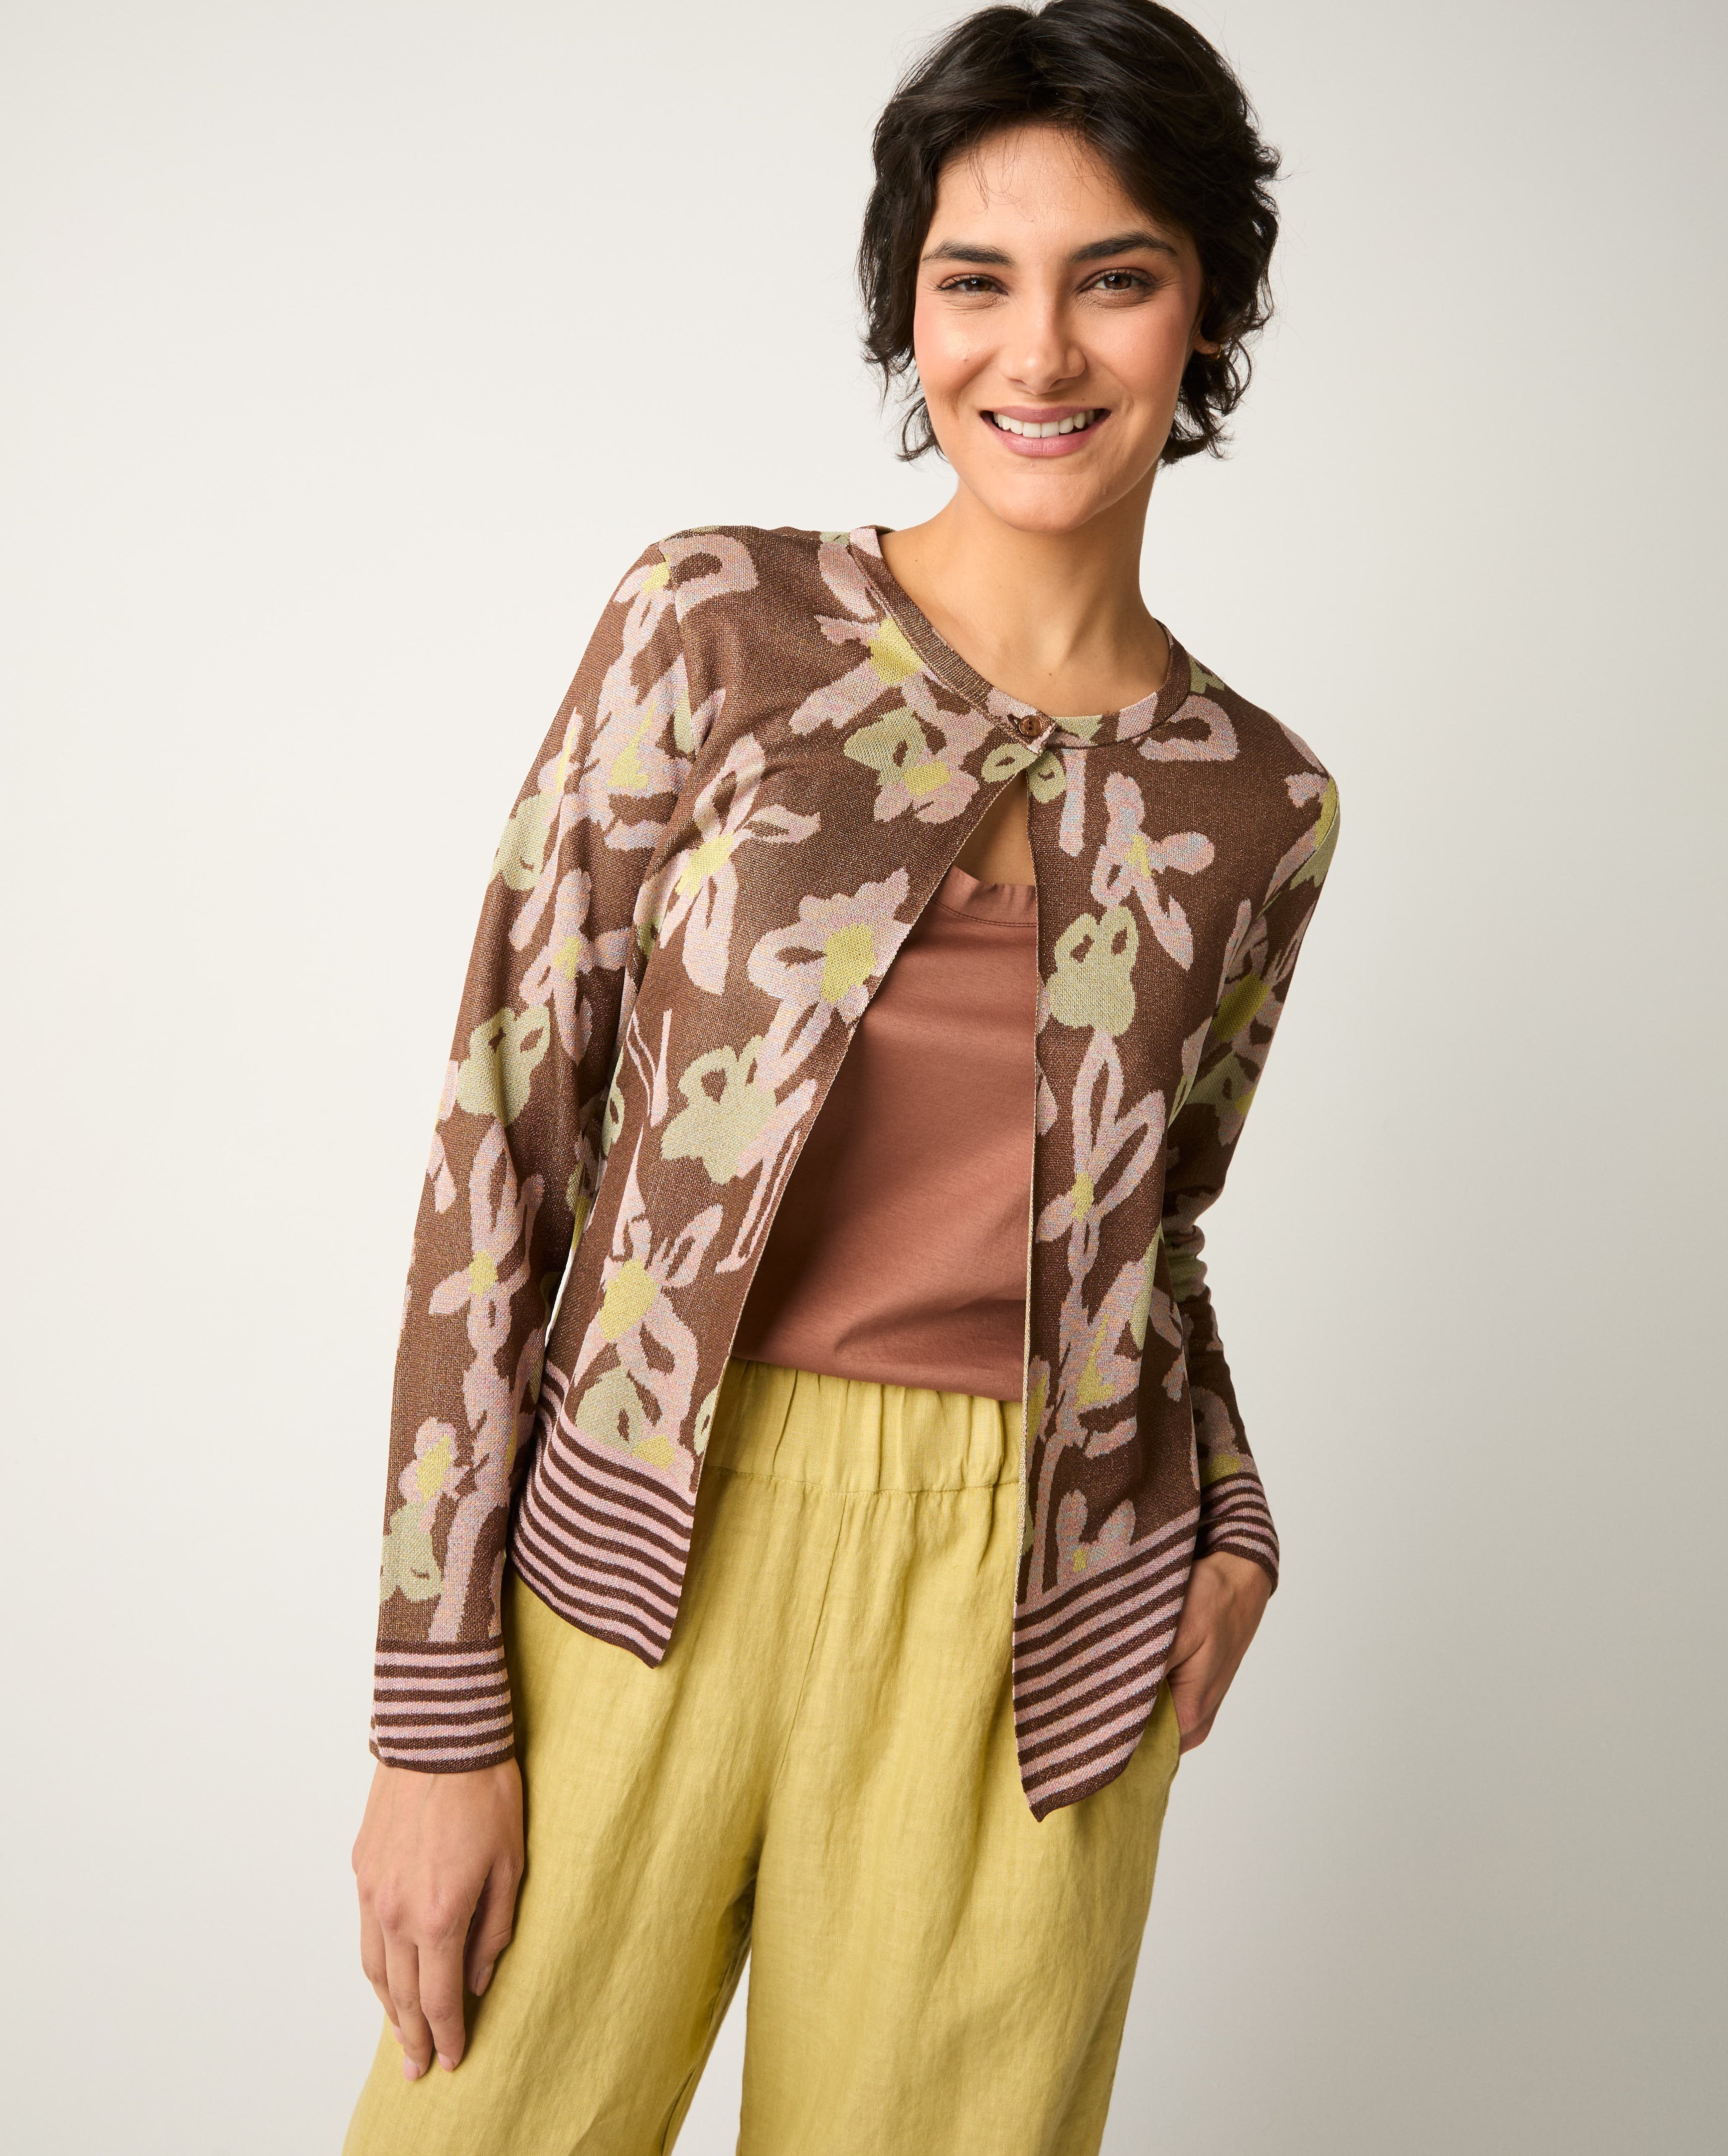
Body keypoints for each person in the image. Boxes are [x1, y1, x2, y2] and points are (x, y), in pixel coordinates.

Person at [344, 2, 1341, 2149]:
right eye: (978, 279)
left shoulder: (1259, 803)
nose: (1038, 352)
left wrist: (1237, 1509)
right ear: (912, 308)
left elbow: (1154, 1234)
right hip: (645, 1529)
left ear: (1206, 310)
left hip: (1036, 1611)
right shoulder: (717, 626)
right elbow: (503, 1136)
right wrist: (432, 1708)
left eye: (1115, 277)